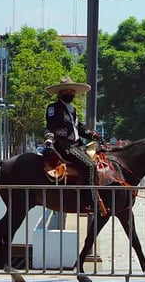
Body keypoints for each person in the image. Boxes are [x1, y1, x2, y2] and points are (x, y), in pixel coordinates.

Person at [43, 76, 104, 213]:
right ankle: (90, 201)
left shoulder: (72, 109)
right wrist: (49, 139)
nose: (70, 94)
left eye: (72, 91)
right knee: (90, 165)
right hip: (64, 146)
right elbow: (51, 126)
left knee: (99, 158)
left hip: (77, 144)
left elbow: (79, 128)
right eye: (67, 92)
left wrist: (93, 135)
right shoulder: (54, 108)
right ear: (60, 93)